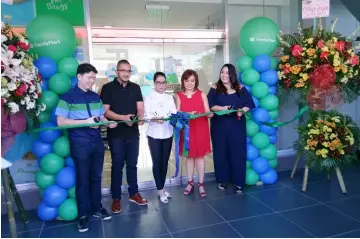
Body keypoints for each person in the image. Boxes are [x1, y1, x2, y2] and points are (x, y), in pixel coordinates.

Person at [55, 63, 116, 232]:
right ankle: (83, 215)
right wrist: (85, 122)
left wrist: (107, 122)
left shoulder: (96, 97)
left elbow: (101, 116)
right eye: (89, 78)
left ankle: (97, 208)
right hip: (79, 143)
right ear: (79, 76)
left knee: (96, 177)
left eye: (94, 79)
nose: (92, 81)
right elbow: (60, 122)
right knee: (82, 180)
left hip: (96, 142)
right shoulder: (67, 97)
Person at [100, 59, 148, 214]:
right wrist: (123, 118)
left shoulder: (136, 87)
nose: (126, 73)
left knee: (133, 165)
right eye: (123, 71)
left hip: (133, 133)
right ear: (117, 71)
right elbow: (105, 111)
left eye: (129, 71)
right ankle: (116, 198)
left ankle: (134, 193)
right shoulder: (108, 88)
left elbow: (140, 108)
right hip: (116, 134)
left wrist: (140, 117)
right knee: (117, 167)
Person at [207, 63, 255, 194]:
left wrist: (242, 111)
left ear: (232, 74)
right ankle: (222, 180)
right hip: (219, 127)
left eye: (227, 73)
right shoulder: (214, 88)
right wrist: (223, 109)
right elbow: (210, 105)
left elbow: (249, 103)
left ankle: (239, 182)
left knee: (238, 153)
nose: (224, 75)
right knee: (221, 153)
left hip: (237, 126)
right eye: (222, 72)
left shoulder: (240, 88)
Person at [175, 69, 212, 197]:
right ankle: (190, 182)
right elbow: (178, 114)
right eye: (187, 80)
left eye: (192, 80)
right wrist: (187, 115)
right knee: (189, 157)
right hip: (186, 131)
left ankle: (201, 184)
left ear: (196, 81)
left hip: (201, 128)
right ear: (183, 82)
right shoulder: (178, 96)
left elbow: (208, 112)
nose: (189, 83)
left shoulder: (202, 94)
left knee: (200, 157)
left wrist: (211, 114)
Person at [144, 72, 177, 203]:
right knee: (157, 162)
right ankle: (160, 189)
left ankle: (161, 187)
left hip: (167, 133)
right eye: (158, 82)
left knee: (164, 162)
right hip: (154, 134)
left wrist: (171, 116)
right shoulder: (149, 98)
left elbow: (174, 112)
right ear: (154, 83)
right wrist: (154, 118)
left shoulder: (169, 98)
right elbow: (146, 115)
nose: (161, 85)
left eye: (163, 82)